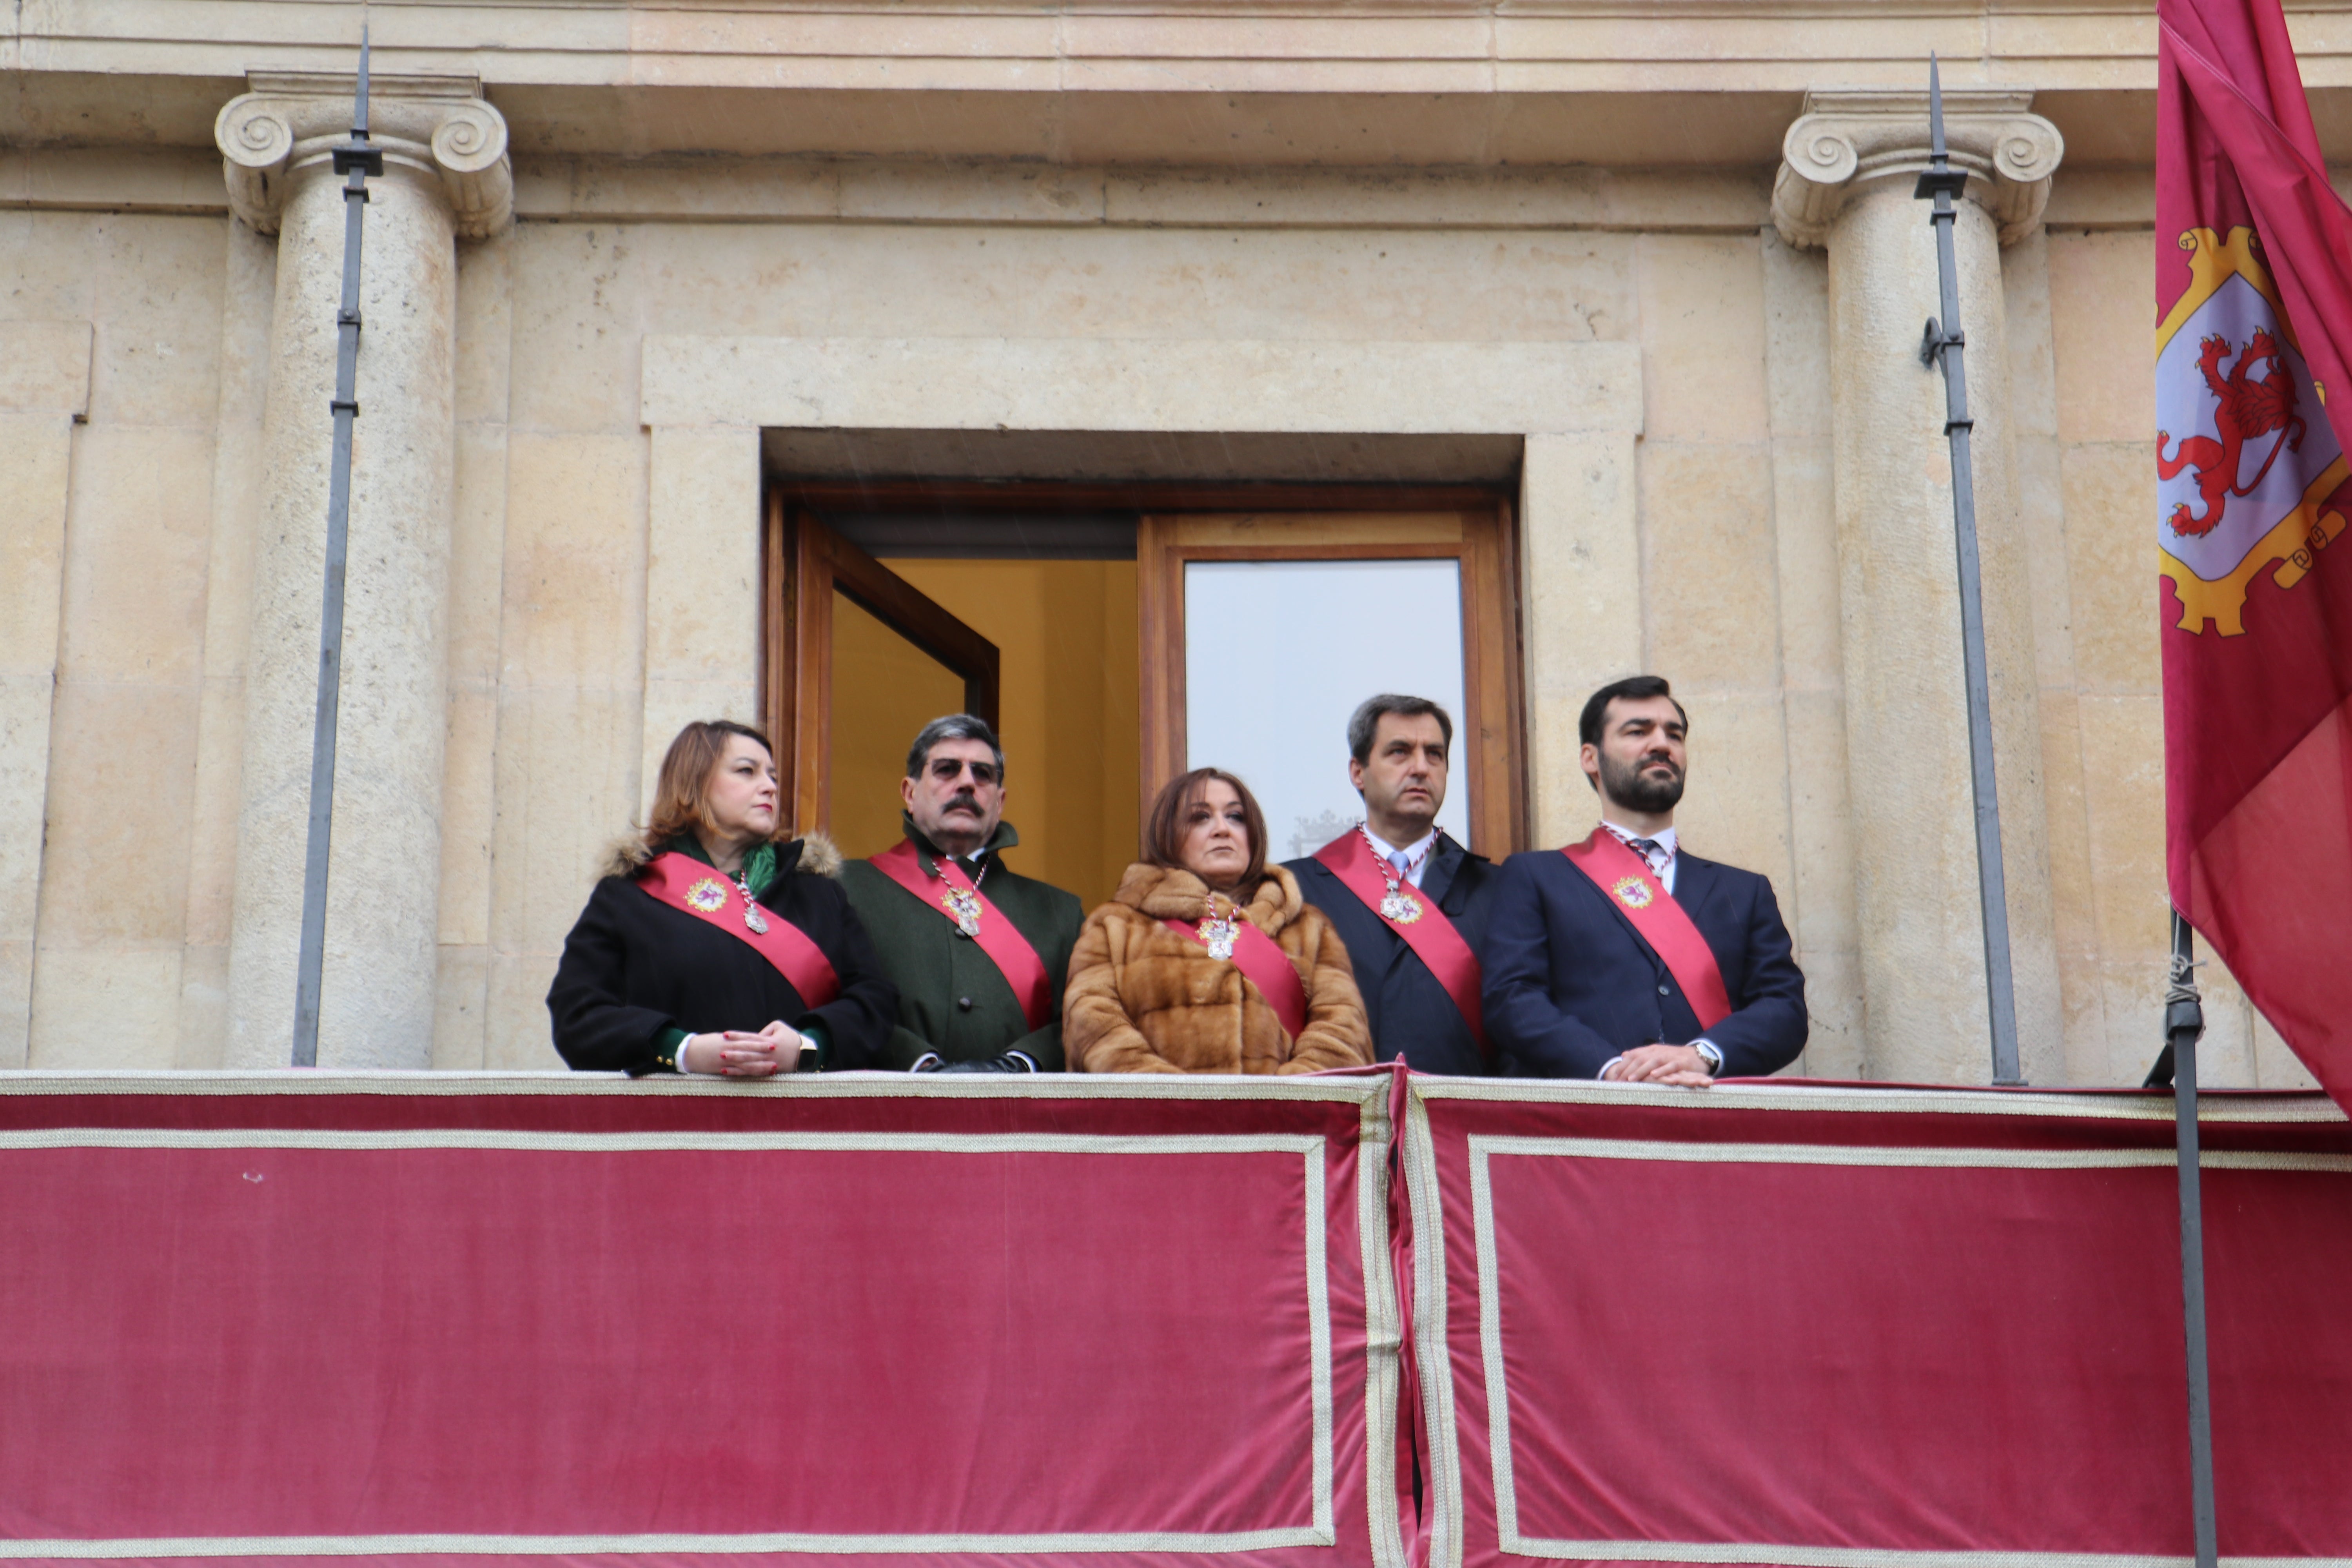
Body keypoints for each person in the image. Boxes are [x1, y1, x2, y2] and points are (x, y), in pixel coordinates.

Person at [1483, 675, 1806, 1083]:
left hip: (1711, 1122)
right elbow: (1512, 1001)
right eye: (1638, 731)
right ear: (1590, 757)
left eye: (1674, 734)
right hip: (1586, 1126)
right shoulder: (1536, 877)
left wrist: (1702, 1055)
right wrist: (1614, 1069)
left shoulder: (1745, 892)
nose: (1661, 744)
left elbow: (1784, 1008)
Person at [547, 719, 898, 1076]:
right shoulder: (629, 893)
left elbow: (874, 1001)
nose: (770, 788)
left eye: (773, 777)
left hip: (804, 1121)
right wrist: (682, 1051)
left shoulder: (819, 893)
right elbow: (577, 1015)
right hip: (676, 1121)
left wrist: (808, 1047)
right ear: (694, 783)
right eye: (747, 772)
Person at [1066, 768, 1372, 1074]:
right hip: (1162, 1119)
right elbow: (1094, 1027)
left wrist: (1282, 1105)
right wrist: (1178, 1105)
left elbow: (1342, 1031)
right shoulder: (1113, 928)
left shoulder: (1309, 928)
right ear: (1168, 834)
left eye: (1236, 817)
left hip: (1285, 1121)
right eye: (1200, 818)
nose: (1222, 829)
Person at [838, 714, 1086, 1072]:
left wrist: (1020, 1064)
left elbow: (1085, 1016)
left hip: (1024, 1119)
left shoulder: (1060, 912)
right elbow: (834, 999)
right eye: (947, 769)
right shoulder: (847, 887)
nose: (967, 782)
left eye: (983, 773)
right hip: (889, 1114)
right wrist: (916, 1062)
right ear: (910, 793)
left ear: (999, 803)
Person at [1285, 694, 1498, 1076]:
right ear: (1358, 772)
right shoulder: (1296, 889)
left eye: (1434, 754)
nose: (1420, 768)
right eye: (1399, 752)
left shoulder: (1498, 889)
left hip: (1459, 1120)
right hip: (1343, 1121)